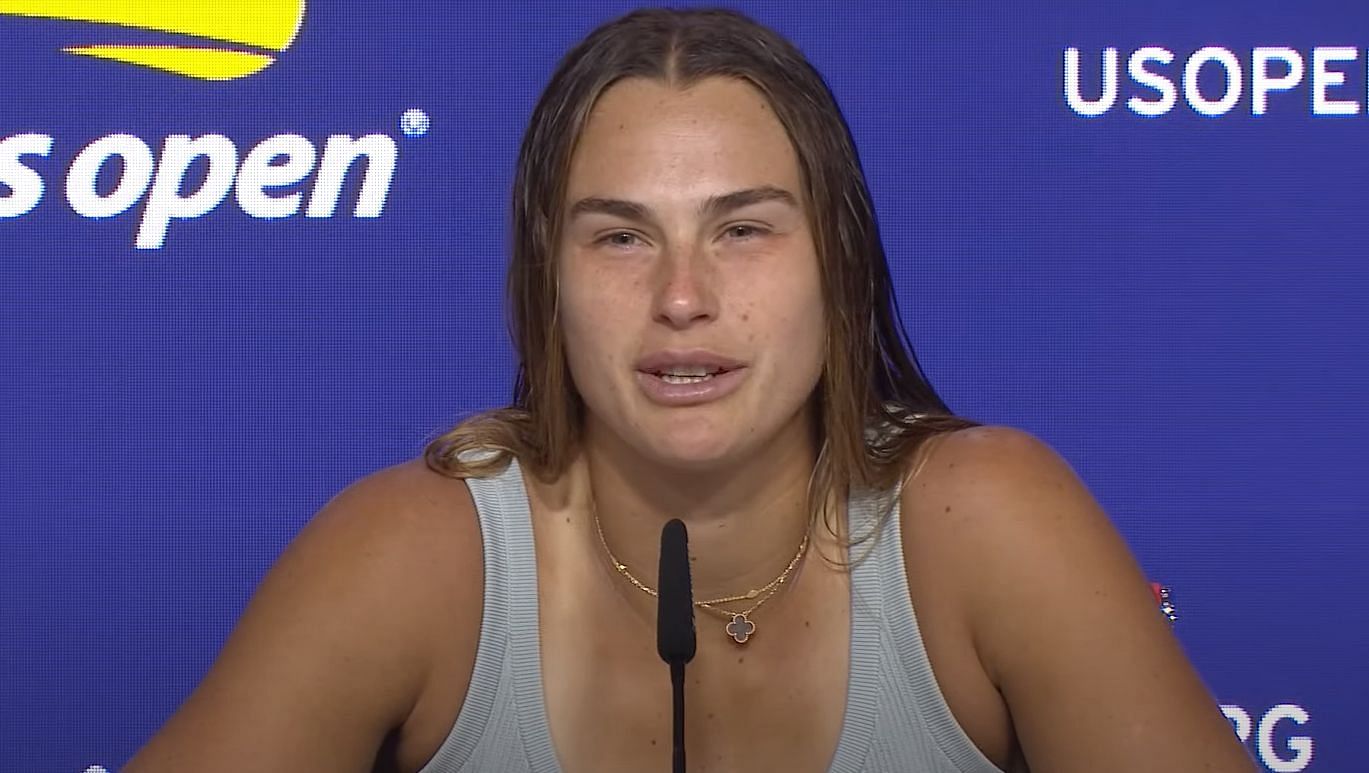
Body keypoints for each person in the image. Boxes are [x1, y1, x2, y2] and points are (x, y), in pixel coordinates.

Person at [126, 7, 1256, 773]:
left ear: (839, 265)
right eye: (620, 238)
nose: (681, 297)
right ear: (546, 285)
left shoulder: (992, 517)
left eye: (744, 229)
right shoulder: (409, 551)